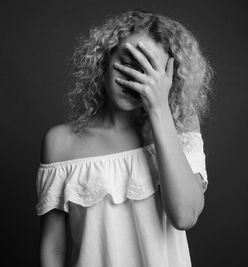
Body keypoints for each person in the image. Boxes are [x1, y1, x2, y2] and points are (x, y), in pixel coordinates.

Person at [35, 9, 213, 267]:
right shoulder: (60, 142)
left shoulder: (180, 129)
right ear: (103, 61)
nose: (134, 80)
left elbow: (185, 216)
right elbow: (53, 248)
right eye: (128, 63)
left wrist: (159, 110)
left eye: (149, 70)